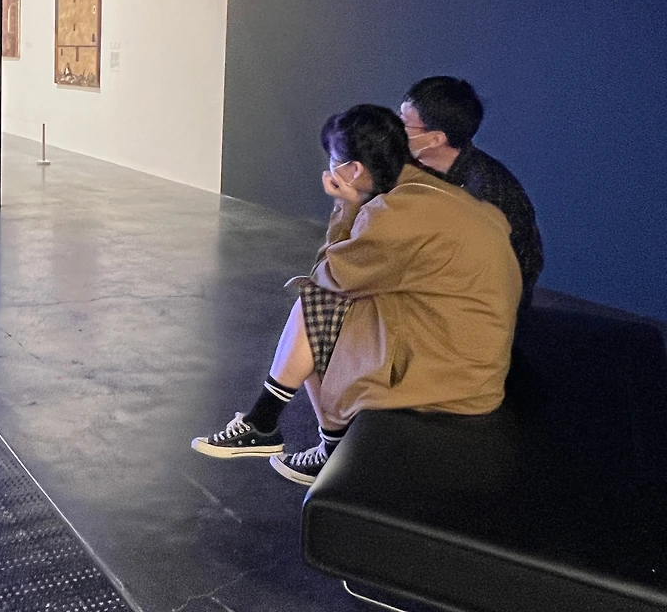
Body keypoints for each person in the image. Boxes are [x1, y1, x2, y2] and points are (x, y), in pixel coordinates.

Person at [191, 105, 521, 485]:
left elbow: (329, 276)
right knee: (326, 308)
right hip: (473, 358)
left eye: (334, 161)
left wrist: (345, 205)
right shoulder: (436, 191)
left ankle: (289, 432)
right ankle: (272, 425)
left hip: (452, 377)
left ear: (354, 170)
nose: (330, 170)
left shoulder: (394, 212)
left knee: (317, 303)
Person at [400, 76, 543, 318]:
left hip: (483, 308)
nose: (394, 130)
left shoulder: (486, 192)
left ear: (436, 139)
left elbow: (499, 276)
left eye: (404, 124)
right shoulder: (415, 166)